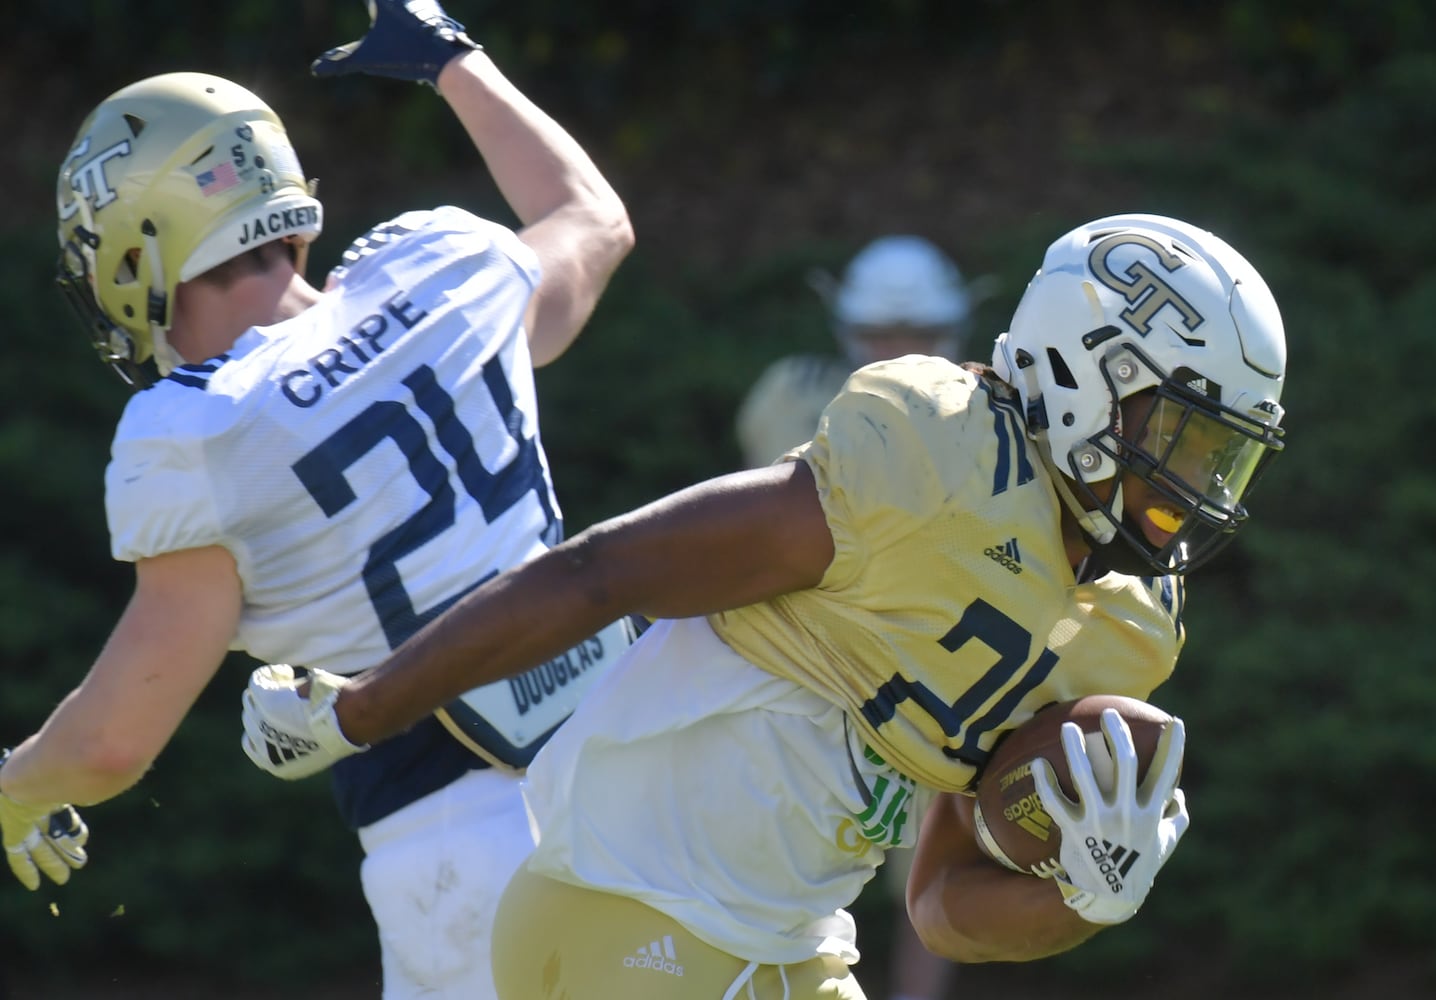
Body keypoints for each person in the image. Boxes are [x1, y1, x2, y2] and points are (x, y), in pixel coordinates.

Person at [242, 213, 1287, 999]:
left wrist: (1083, 898)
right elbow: (599, 573)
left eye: (1222, 456)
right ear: (1088, 376)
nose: (1196, 481)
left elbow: (936, 905)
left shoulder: (1121, 627)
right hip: (627, 910)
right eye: (1183, 437)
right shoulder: (935, 456)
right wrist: (361, 709)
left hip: (790, 947)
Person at [0, 2, 633, 998]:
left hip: (462, 838)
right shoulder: (441, 265)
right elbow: (592, 218)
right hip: (655, 757)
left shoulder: (191, 428)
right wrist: (452, 61)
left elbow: (116, 737)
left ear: (136, 251)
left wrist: (16, 786)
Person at [736, 233, 991, 1000]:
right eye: (885, 334)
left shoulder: (987, 415)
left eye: (914, 335)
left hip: (930, 665)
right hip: (805, 660)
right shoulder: (794, 394)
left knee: (927, 875)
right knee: (784, 869)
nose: (899, 350)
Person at [736, 234, 995, 470]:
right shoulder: (793, 392)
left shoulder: (992, 403)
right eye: (880, 336)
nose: (901, 352)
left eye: (922, 335)